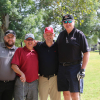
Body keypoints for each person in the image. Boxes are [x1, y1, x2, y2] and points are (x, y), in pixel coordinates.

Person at [56, 14, 90, 100]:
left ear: (74, 22)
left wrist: (83, 69)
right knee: (66, 94)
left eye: (69, 21)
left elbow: (86, 52)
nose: (67, 23)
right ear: (63, 23)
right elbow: (55, 47)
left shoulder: (79, 34)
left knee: (75, 95)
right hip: (62, 68)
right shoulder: (61, 35)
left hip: (75, 68)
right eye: (65, 22)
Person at [34, 27, 61, 100]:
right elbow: (29, 44)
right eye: (47, 34)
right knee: (42, 98)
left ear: (54, 35)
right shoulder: (39, 46)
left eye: (50, 34)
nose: (48, 36)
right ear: (44, 36)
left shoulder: (58, 46)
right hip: (42, 78)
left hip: (55, 78)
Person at [11, 33, 39, 100]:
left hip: (34, 83)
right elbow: (13, 66)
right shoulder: (19, 50)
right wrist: (22, 73)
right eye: (28, 39)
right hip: (21, 82)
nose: (30, 41)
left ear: (34, 41)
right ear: (25, 41)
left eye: (31, 39)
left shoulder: (37, 52)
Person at [0, 30, 17, 100]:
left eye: (12, 37)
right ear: (4, 38)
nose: (10, 39)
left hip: (11, 85)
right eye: (8, 37)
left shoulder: (18, 50)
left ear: (15, 38)